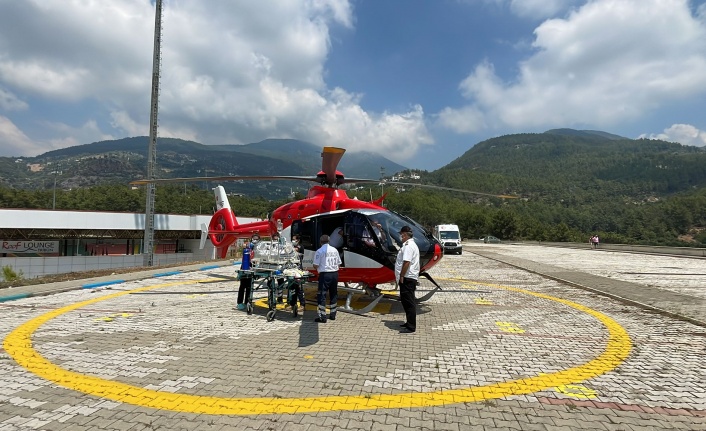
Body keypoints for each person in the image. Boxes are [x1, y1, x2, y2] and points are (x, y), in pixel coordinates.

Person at [395, 225, 420, 333]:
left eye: (401, 235)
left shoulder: (408, 246)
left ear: (404, 235)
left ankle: (411, 326)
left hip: (407, 278)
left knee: (409, 301)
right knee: (406, 301)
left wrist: (401, 276)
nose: (400, 237)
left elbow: (406, 262)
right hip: (408, 277)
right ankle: (409, 322)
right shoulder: (410, 244)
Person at [312, 234, 341, 323]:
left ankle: (322, 317)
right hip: (335, 274)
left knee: (322, 295)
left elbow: (315, 265)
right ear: (329, 241)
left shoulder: (319, 251)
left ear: (320, 242)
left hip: (325, 275)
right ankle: (333, 315)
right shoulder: (335, 250)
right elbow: (339, 263)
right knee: (333, 293)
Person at [237, 234, 259, 310]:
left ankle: (247, 302)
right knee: (242, 286)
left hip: (253, 267)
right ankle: (240, 302)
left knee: (249, 287)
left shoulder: (259, 248)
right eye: (254, 239)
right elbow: (245, 246)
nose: (255, 240)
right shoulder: (248, 247)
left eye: (256, 239)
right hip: (245, 266)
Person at [288, 234, 306, 314]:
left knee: (299, 288)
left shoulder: (300, 246)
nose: (293, 241)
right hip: (292, 269)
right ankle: (292, 304)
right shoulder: (292, 246)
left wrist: (288, 248)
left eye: (294, 239)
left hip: (298, 269)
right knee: (292, 287)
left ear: (298, 240)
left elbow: (294, 250)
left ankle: (302, 305)